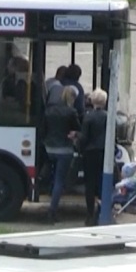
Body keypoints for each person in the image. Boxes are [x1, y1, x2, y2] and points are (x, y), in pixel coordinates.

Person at [43, 85, 81, 224]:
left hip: (49, 148)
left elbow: (45, 128)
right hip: (64, 149)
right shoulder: (71, 112)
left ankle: (49, 190)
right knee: (60, 180)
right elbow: (77, 128)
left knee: (54, 176)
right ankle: (52, 211)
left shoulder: (49, 111)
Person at [77, 89, 109, 226]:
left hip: (90, 152)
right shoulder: (108, 116)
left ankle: (90, 213)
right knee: (103, 181)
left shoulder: (88, 117)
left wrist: (78, 143)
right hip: (104, 152)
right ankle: (102, 209)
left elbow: (84, 137)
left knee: (89, 183)